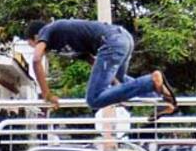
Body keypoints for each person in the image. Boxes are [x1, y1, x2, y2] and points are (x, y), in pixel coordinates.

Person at [26, 19, 177, 121]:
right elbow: (94, 62)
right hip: (122, 39)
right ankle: (163, 98)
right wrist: (115, 86)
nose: (34, 47)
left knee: (93, 99)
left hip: (112, 42)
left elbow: (36, 59)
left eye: (31, 44)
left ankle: (150, 82)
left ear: (36, 37)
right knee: (121, 83)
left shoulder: (47, 30)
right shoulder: (64, 42)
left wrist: (46, 94)